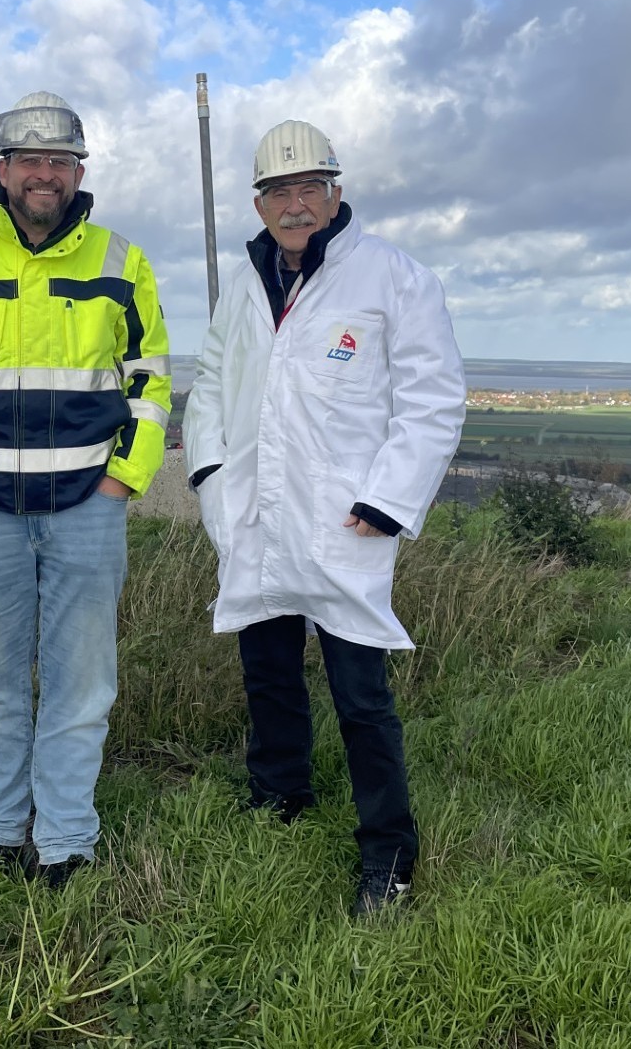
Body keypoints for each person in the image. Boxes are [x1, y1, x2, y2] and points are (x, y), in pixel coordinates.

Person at [183, 119, 466, 916]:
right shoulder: (247, 283)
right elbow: (210, 383)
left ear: (336, 193)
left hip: (344, 521)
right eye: (279, 191)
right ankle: (279, 794)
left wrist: (387, 502)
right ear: (259, 203)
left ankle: (388, 853)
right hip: (255, 511)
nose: (295, 204)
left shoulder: (394, 279)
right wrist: (209, 474)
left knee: (361, 694)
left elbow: (433, 399)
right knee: (267, 667)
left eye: (310, 187)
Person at [0, 91, 170, 887]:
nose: (45, 174)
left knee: (81, 681)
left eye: (60, 160)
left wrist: (124, 478)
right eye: (30, 160)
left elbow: (151, 380)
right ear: (3, 170)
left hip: (89, 506)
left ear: (79, 171)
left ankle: (64, 841)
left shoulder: (121, 261)